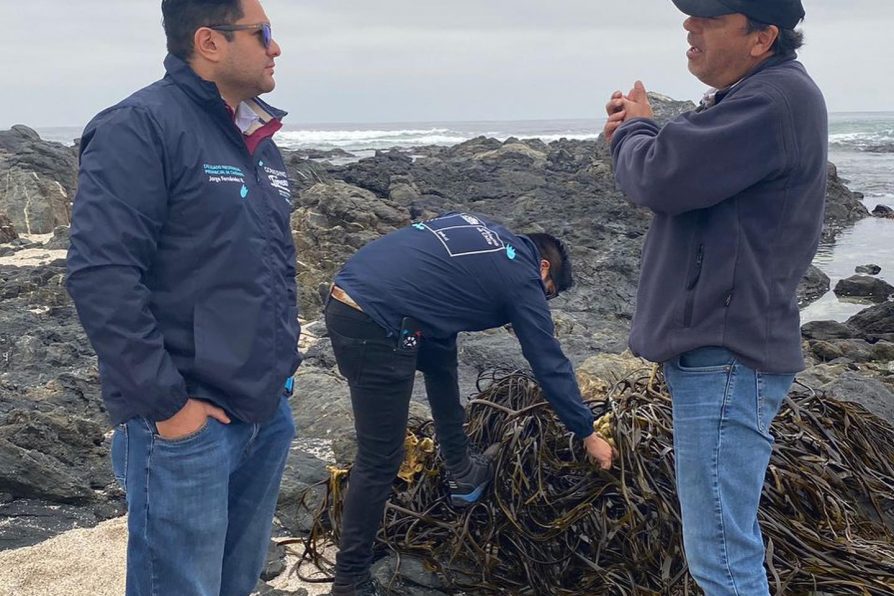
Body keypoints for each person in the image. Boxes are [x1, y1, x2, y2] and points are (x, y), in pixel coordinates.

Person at [66, 1, 300, 594]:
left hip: (263, 413)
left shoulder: (257, 139)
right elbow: (101, 273)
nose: (276, 48)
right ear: (210, 41)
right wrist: (170, 408)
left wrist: (280, 386)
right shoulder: (140, 126)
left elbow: (265, 267)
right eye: (264, 34)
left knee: (234, 584)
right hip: (186, 423)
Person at [602, 0, 826, 594]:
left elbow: (659, 177)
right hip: (722, 352)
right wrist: (639, 134)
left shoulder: (770, 102)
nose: (689, 25)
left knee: (722, 558)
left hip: (726, 354)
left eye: (710, 17)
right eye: (690, 14)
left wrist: (636, 131)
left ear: (762, 38)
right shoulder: (756, 98)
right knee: (723, 549)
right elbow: (669, 168)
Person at [324, 212, 615, 595]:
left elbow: (434, 290)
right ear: (543, 266)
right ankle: (350, 581)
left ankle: (461, 469)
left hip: (360, 294)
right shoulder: (520, 277)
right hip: (373, 321)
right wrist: (585, 430)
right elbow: (547, 359)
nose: (541, 300)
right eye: (547, 292)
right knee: (381, 457)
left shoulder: (485, 230)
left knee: (442, 355)